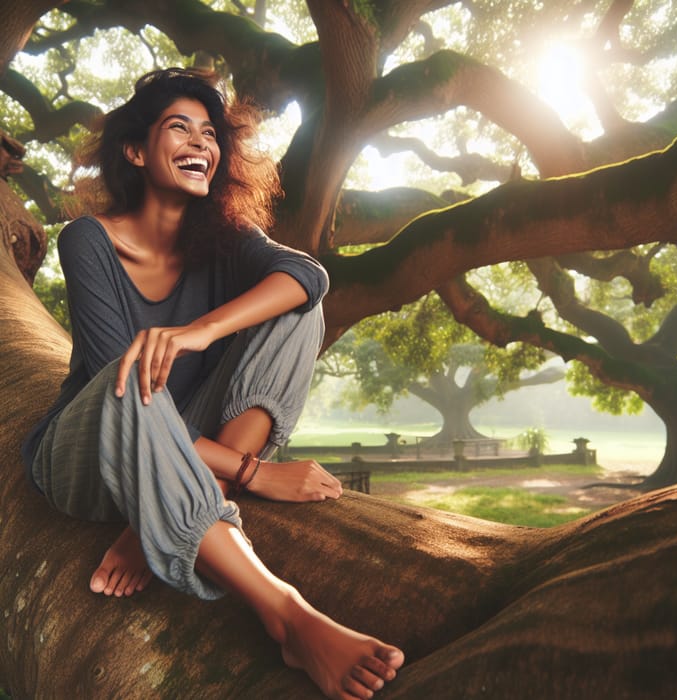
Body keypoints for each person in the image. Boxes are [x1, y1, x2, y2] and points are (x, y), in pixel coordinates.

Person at [21, 67, 403, 700]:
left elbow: (309, 278)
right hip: (86, 453)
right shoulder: (88, 240)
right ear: (136, 150)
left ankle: (172, 503)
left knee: (298, 309)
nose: (200, 142)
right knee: (133, 374)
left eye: (209, 133)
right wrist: (257, 473)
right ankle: (287, 614)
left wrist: (200, 329)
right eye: (179, 127)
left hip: (182, 437)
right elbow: (125, 382)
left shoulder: (227, 240)